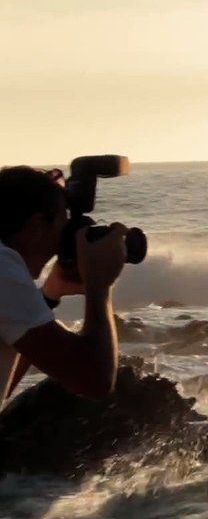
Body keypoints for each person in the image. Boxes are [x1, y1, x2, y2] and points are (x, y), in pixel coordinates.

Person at [0, 165, 128, 405]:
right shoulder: (3, 268)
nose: (62, 243)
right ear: (36, 227)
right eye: (63, 228)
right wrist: (99, 286)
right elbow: (95, 379)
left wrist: (49, 295)